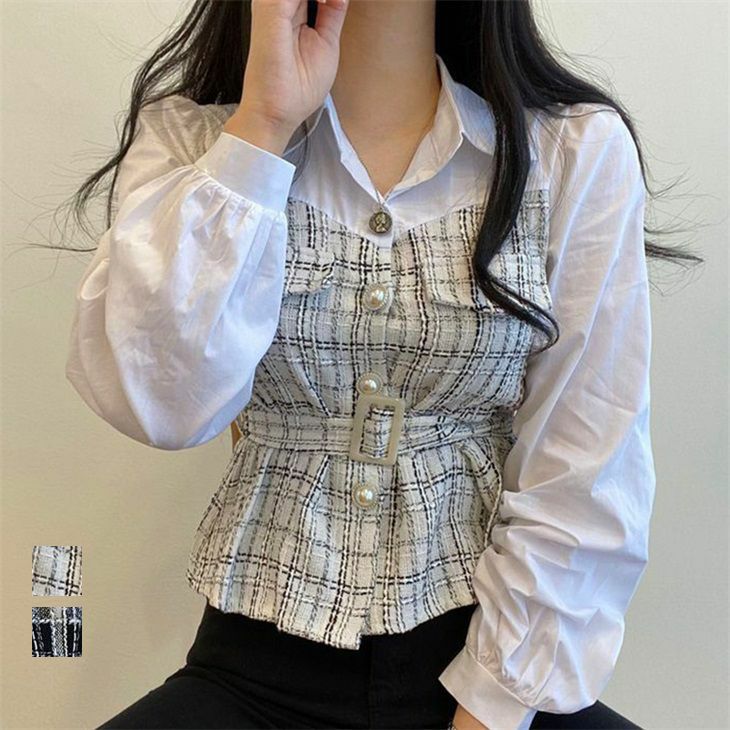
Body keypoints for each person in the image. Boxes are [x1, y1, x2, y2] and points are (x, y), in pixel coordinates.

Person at [62, 0, 671, 727]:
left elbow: (587, 466)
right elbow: (161, 406)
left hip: (490, 674)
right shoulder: (191, 144)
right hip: (252, 672)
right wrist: (262, 128)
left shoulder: (571, 152)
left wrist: (490, 710)